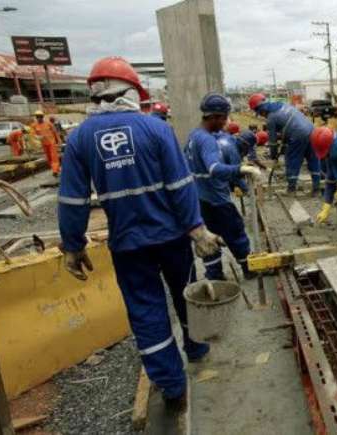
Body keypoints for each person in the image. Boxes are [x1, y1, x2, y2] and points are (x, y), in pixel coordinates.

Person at [58, 57, 224, 413]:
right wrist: (197, 229)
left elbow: (72, 198)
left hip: (129, 245)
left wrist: (72, 245)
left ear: (95, 93)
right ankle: (196, 348)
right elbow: (180, 186)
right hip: (171, 237)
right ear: (132, 91)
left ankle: (172, 387)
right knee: (187, 294)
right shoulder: (155, 129)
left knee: (146, 313)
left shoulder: (80, 139)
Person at [185, 92, 263, 281]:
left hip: (199, 199)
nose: (225, 123)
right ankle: (248, 269)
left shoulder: (193, 136)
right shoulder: (207, 140)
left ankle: (215, 276)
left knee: (209, 239)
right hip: (217, 200)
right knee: (235, 232)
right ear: (216, 116)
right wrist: (241, 169)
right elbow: (215, 168)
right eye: (224, 118)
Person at [248, 93, 320, 195]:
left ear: (260, 110)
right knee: (313, 158)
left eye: (259, 113)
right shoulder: (283, 105)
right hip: (312, 131)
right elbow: (287, 128)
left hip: (298, 134)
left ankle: (291, 189)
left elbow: (272, 142)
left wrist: (273, 156)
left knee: (292, 159)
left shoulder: (271, 118)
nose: (261, 115)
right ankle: (316, 189)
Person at [30, 110, 61, 176]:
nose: (39, 118)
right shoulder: (34, 125)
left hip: (51, 143)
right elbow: (32, 134)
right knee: (49, 158)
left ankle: (55, 171)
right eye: (37, 117)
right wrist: (37, 137)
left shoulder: (48, 123)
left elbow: (55, 132)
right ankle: (55, 169)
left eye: (40, 116)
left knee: (54, 157)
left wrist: (58, 140)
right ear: (36, 117)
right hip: (44, 144)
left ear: (42, 117)